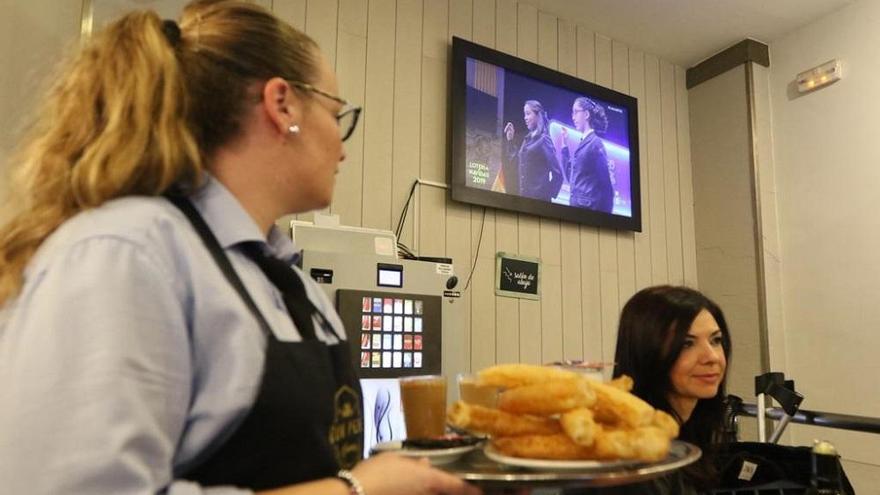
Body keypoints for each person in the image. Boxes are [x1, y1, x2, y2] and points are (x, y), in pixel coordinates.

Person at [0, 2, 479, 495]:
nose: (342, 147)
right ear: (282, 105)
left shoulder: (291, 285)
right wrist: (355, 491)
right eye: (338, 116)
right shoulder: (125, 253)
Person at [612, 285, 732, 493]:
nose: (712, 357)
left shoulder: (689, 436)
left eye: (716, 340)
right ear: (648, 352)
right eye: (687, 344)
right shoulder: (638, 455)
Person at [560, 97, 614, 212]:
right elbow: (573, 177)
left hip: (587, 212)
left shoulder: (595, 144)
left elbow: (606, 187)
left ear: (586, 114)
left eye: (576, 112)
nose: (573, 117)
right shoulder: (585, 142)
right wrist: (564, 146)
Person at [503, 100, 563, 201]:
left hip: (539, 203)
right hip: (523, 199)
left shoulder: (544, 140)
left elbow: (558, 174)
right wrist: (510, 140)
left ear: (537, 115)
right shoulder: (527, 138)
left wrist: (545, 194)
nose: (525, 118)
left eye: (528, 114)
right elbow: (518, 162)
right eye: (524, 114)